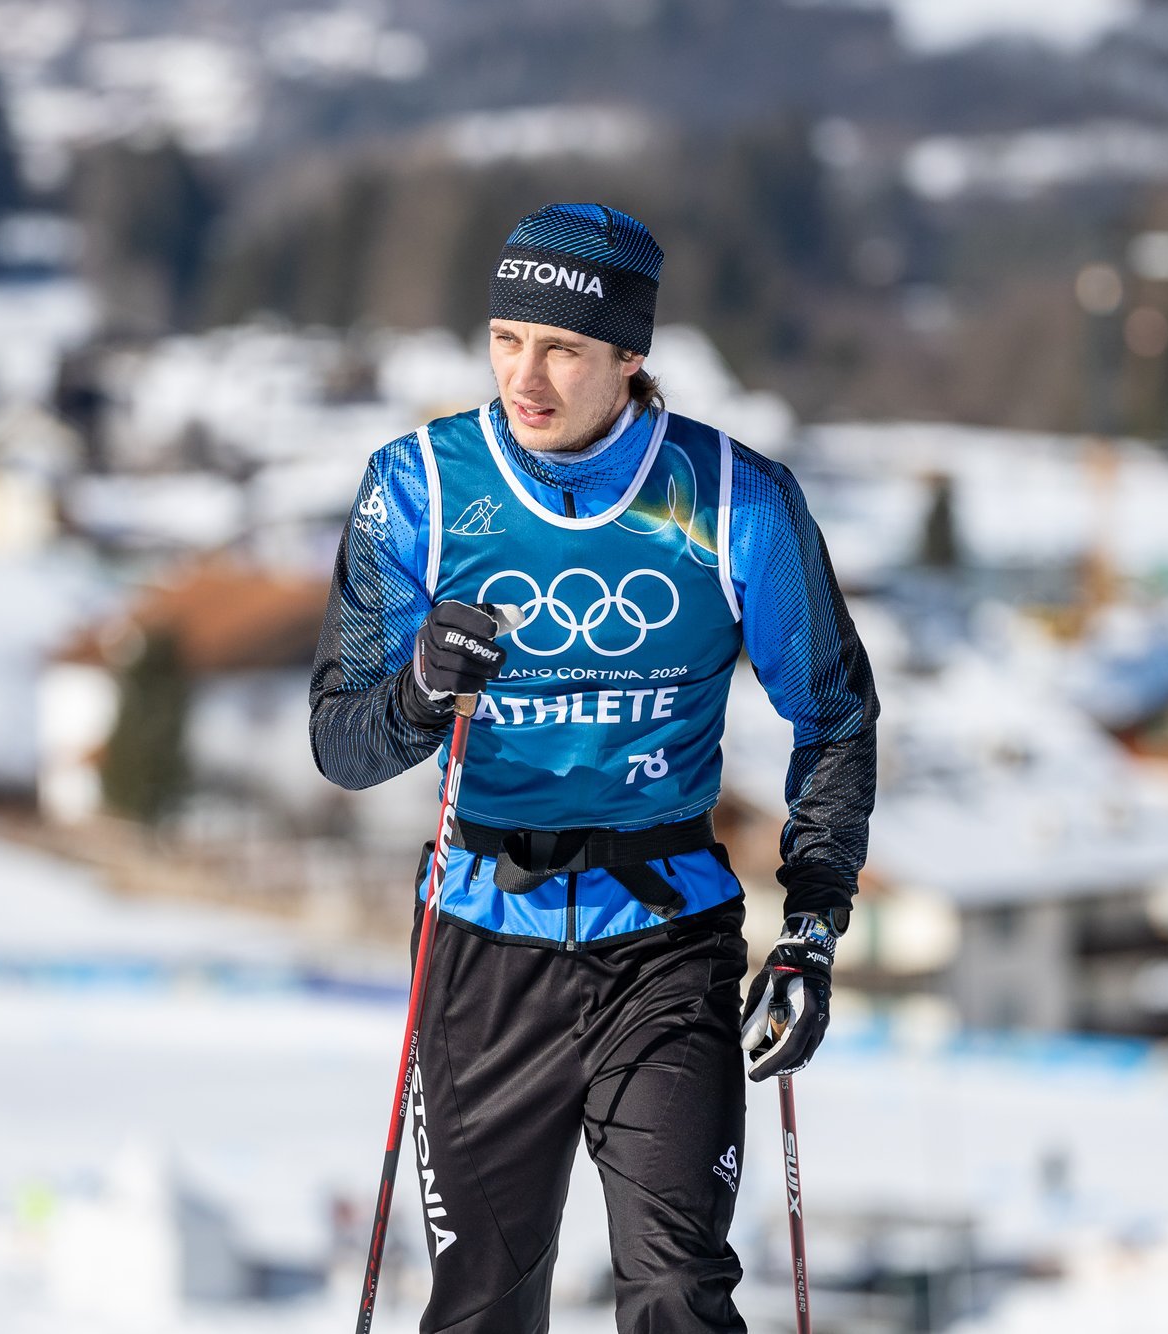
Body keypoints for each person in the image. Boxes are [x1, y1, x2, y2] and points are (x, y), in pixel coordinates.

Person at [308, 203, 878, 1333]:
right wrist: (420, 688)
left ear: (629, 354)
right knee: (482, 1303)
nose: (527, 375)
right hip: (479, 943)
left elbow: (833, 713)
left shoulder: (732, 500)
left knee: (675, 1287)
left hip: (664, 940)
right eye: (506, 336)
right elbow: (341, 741)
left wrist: (811, 922)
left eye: (563, 347)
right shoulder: (416, 488)